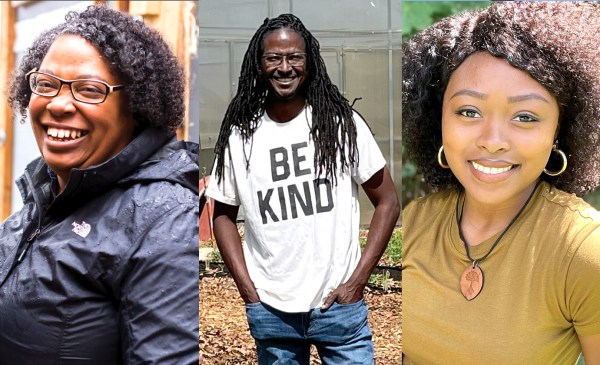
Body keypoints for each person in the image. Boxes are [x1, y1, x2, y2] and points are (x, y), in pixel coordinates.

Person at [402, 2, 600, 364]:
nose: (493, 140)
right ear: (438, 117)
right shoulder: (412, 223)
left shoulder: (584, 251)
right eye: (469, 111)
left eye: (525, 116)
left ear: (559, 130)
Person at [0, 5, 199, 364]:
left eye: (90, 90)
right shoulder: (49, 191)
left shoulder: (163, 220)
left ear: (137, 105)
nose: (58, 104)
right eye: (46, 84)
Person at [206, 13, 399, 364]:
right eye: (273, 58)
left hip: (338, 307)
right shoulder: (241, 135)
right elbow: (221, 213)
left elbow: (387, 201)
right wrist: (248, 290)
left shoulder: (340, 124)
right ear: (258, 63)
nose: (284, 67)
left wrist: (357, 281)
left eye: (294, 57)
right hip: (271, 310)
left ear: (309, 62)